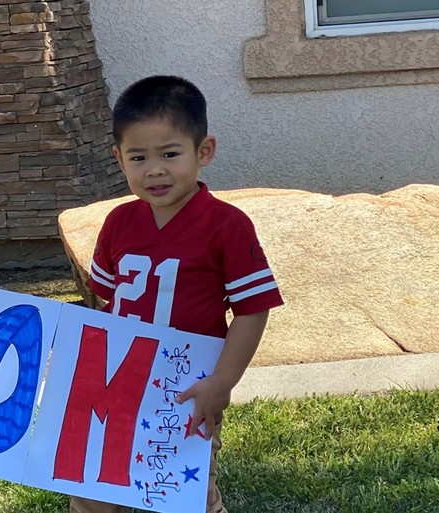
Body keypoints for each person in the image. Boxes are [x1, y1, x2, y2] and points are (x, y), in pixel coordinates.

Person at [74, 75, 284, 513]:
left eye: (170, 154)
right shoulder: (117, 223)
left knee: (181, 496)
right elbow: (106, 304)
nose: (154, 169)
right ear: (119, 159)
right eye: (138, 157)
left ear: (203, 151)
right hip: (120, 381)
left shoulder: (227, 226)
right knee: (91, 486)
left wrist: (220, 383)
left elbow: (252, 309)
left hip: (186, 389)